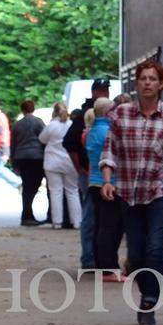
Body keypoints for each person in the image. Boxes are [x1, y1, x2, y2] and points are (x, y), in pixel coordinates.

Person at [99, 61, 163, 325]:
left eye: (153, 78)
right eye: (143, 78)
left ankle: (148, 304)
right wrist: (107, 181)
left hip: (161, 192)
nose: (148, 82)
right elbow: (109, 150)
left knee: (155, 249)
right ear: (137, 83)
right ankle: (148, 292)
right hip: (129, 193)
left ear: (161, 84)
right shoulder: (121, 115)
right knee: (137, 255)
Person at [64, 79, 112, 266]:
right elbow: (69, 142)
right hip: (93, 174)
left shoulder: (96, 118)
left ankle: (96, 257)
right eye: (101, 90)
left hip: (94, 172)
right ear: (94, 92)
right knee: (92, 216)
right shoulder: (87, 114)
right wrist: (79, 167)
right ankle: (90, 258)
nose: (104, 93)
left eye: (106, 90)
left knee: (97, 217)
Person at [85, 97, 125, 281]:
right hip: (108, 182)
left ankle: (100, 265)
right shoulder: (108, 131)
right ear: (109, 112)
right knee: (111, 226)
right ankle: (109, 268)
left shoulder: (93, 130)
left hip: (94, 181)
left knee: (101, 225)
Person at [40, 101, 81, 230]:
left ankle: (57, 222)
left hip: (52, 162)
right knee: (72, 191)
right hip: (69, 161)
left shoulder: (51, 126)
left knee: (55, 192)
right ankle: (77, 221)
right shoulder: (71, 125)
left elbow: (42, 139)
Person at [10, 100, 46, 226]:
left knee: (27, 186)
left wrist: (14, 162)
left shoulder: (17, 125)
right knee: (33, 187)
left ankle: (27, 214)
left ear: (22, 110)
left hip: (21, 157)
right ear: (33, 108)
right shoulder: (38, 122)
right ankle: (27, 214)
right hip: (36, 157)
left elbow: (13, 145)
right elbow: (44, 139)